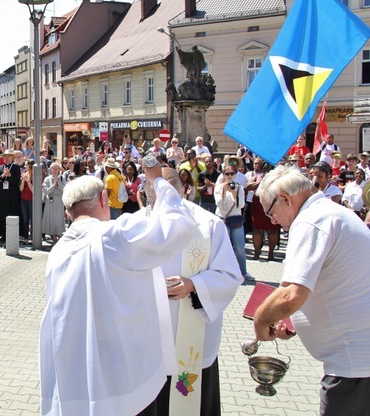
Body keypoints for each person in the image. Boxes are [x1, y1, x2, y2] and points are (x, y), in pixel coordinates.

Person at [39, 164, 198, 415]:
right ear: (104, 199)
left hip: (78, 373)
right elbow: (179, 227)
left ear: (69, 212)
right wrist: (158, 182)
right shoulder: (114, 235)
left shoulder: (58, 251)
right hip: (124, 376)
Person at [253, 165, 370, 415]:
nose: (272, 220)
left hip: (355, 366)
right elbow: (330, 284)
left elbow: (292, 294)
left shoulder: (311, 220)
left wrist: (261, 321)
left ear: (284, 198)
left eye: (271, 212)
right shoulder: (326, 212)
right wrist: (294, 321)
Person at [141, 167, 242, 416]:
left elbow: (229, 275)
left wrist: (193, 285)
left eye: (169, 190)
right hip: (148, 337)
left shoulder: (208, 225)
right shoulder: (138, 224)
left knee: (189, 400)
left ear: (183, 190)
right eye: (154, 191)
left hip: (191, 338)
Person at [215, 165, 254, 282]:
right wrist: (223, 192)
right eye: (227, 174)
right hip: (223, 219)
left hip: (236, 219)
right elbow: (219, 205)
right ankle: (223, 271)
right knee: (224, 246)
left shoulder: (239, 188)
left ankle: (243, 272)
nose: (229, 176)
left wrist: (234, 194)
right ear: (223, 175)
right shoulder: (218, 187)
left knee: (240, 247)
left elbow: (241, 205)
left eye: (232, 173)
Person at [0, 149, 21, 242]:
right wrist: (4, 175)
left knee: (12, 213)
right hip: (2, 195)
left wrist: (10, 175)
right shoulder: (0, 167)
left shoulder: (16, 167)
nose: (7, 158)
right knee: (2, 214)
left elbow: (17, 180)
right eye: (6, 156)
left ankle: (12, 234)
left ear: (12, 157)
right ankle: (3, 234)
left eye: (9, 156)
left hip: (12, 195)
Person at [42, 163, 66, 243]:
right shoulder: (47, 179)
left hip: (59, 200)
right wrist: (53, 185)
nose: (55, 171)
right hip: (51, 201)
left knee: (59, 218)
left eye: (56, 169)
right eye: (53, 169)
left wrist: (58, 183)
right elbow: (46, 191)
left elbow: (64, 190)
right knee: (51, 218)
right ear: (50, 170)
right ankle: (53, 235)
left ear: (59, 170)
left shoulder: (62, 178)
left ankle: (59, 233)